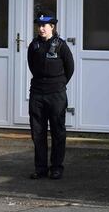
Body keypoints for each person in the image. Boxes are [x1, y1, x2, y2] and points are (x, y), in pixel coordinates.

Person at [27, 13, 74, 180]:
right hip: (37, 94)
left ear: (52, 27)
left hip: (56, 94)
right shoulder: (34, 45)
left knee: (57, 131)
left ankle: (56, 167)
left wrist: (58, 84)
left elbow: (70, 68)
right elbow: (32, 66)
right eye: (38, 25)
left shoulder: (61, 46)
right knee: (37, 132)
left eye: (44, 26)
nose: (40, 28)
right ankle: (40, 168)